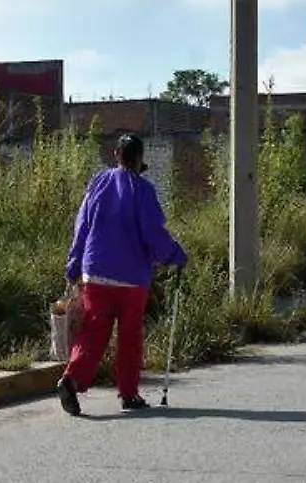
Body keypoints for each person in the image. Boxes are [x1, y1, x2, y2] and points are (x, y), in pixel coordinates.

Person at [56, 133, 188, 416]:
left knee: (93, 330)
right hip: (131, 278)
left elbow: (82, 226)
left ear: (116, 154)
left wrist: (73, 264)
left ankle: (72, 377)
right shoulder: (144, 190)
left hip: (96, 272)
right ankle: (129, 394)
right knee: (129, 337)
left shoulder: (98, 183)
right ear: (140, 159)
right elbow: (154, 235)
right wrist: (176, 256)